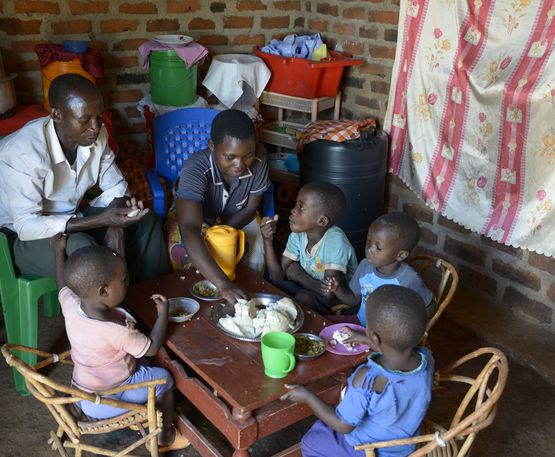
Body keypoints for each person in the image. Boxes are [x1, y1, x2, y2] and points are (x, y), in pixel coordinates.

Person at [0, 73, 170, 282]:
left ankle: (151, 303)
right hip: (19, 238)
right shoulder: (23, 152)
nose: (95, 127)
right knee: (86, 252)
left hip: (72, 218)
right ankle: (109, 312)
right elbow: (27, 225)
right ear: (56, 115)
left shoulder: (97, 136)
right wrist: (101, 220)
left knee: (147, 223)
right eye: (84, 120)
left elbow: (116, 186)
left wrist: (115, 227)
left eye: (99, 117)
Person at [50, 234, 189, 452]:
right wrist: (163, 313)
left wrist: (58, 251)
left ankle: (143, 415)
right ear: (103, 291)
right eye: (123, 281)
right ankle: (166, 435)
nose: (126, 283)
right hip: (108, 400)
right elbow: (151, 347)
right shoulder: (117, 331)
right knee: (164, 378)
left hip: (81, 391)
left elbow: (62, 283)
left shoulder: (71, 303)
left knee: (141, 362)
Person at [281, 285, 434, 457]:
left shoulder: (368, 379)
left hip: (369, 450)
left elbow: (343, 425)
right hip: (402, 446)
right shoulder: (427, 358)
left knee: (311, 442)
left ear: (375, 336)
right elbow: (396, 351)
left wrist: (308, 397)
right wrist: (366, 340)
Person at [175, 109, 271, 304]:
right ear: (212, 146)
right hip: (200, 218)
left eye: (248, 156)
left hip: (239, 215)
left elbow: (251, 208)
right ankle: (205, 300)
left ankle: (246, 299)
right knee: (184, 254)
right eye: (230, 157)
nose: (240, 165)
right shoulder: (196, 169)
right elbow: (189, 228)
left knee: (255, 248)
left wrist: (224, 232)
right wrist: (223, 284)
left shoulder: (260, 158)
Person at [323, 211, 434, 333]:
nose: (370, 249)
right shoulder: (365, 266)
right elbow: (355, 300)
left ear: (401, 255)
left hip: (387, 338)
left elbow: (429, 308)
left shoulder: (408, 279)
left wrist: (405, 324)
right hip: (360, 323)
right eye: (368, 242)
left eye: (378, 247)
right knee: (322, 325)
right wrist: (337, 289)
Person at [261, 182, 358, 314]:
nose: (293, 210)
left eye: (301, 207)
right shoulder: (298, 235)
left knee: (302, 299)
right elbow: (277, 276)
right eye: (296, 204)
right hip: (311, 287)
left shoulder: (335, 241)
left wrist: (299, 275)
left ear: (322, 221)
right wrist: (267, 240)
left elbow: (328, 294)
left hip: (337, 299)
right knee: (271, 287)